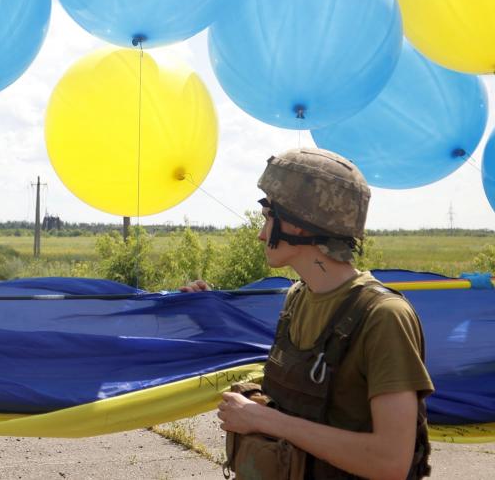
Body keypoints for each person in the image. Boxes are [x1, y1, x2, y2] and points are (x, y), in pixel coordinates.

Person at [182, 148, 433, 479]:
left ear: (298, 225)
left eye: (269, 217)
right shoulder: (298, 298)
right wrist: (208, 310)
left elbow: (390, 461)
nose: (261, 233)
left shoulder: (383, 316)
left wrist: (263, 420)